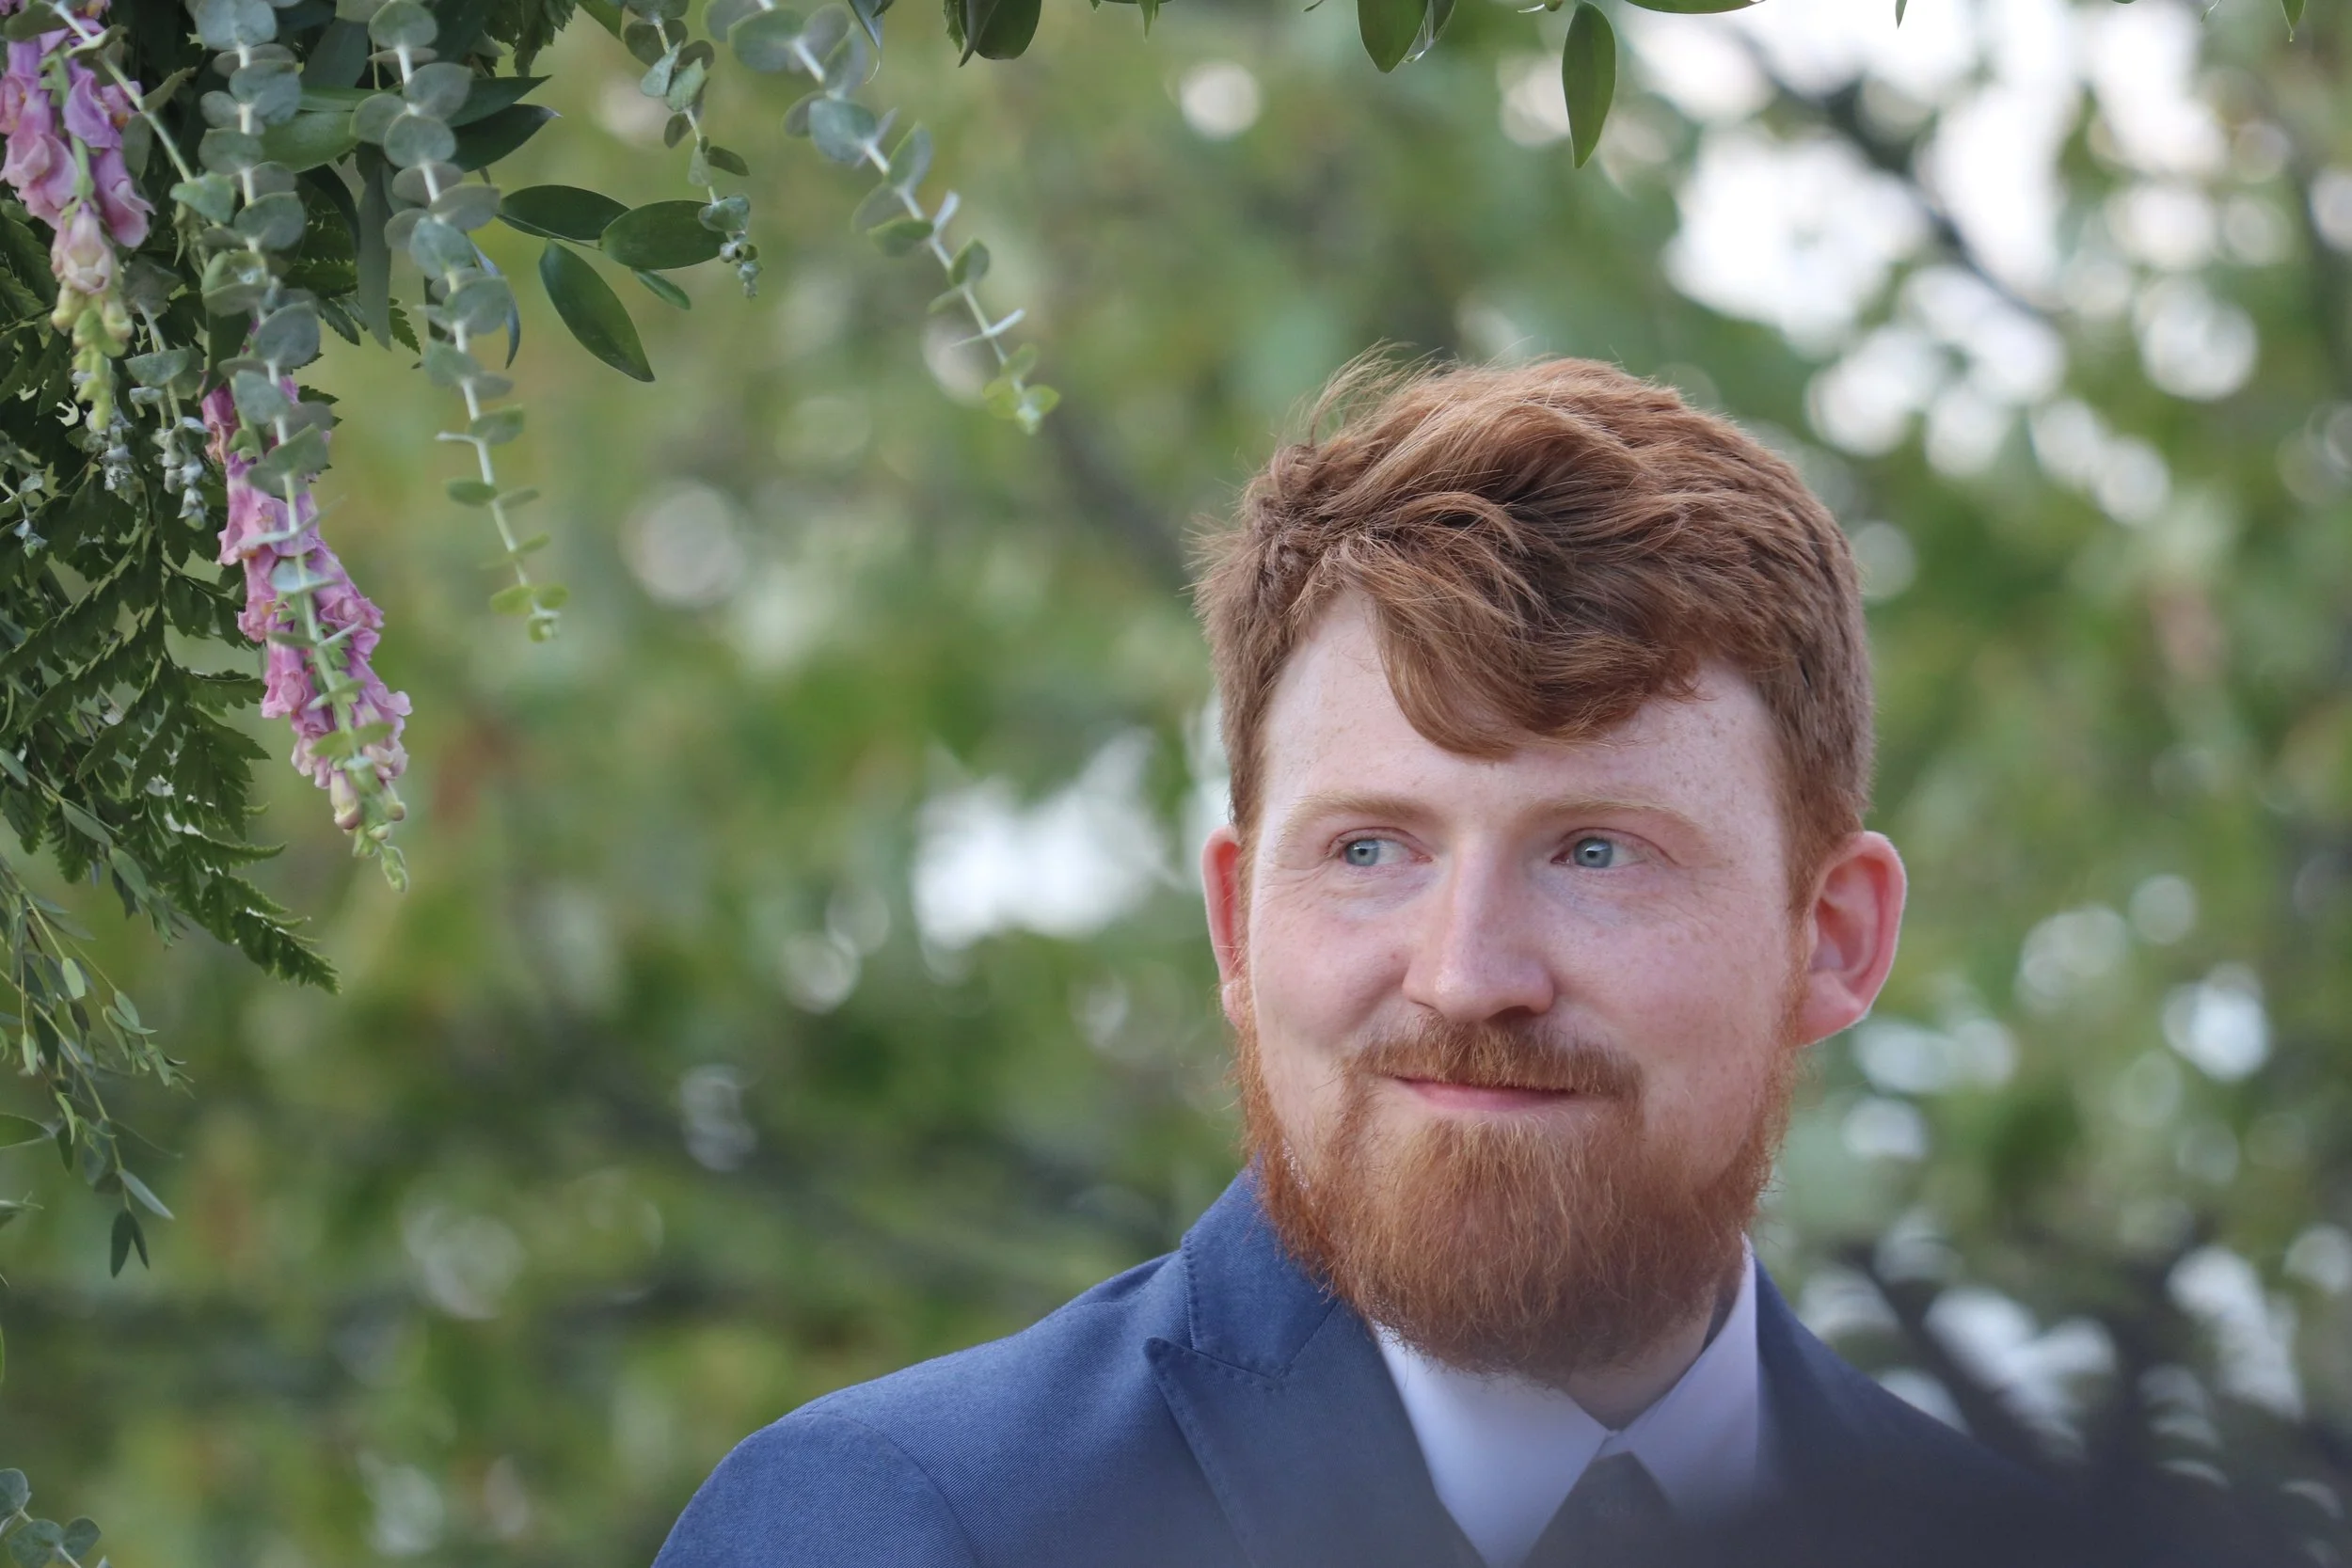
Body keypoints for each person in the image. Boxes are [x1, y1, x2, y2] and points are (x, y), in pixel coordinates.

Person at [651, 357, 2096, 1568]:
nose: (1466, 974)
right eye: (1369, 848)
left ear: (1832, 939)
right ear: (1235, 921)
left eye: (1597, 851)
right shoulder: (891, 1530)